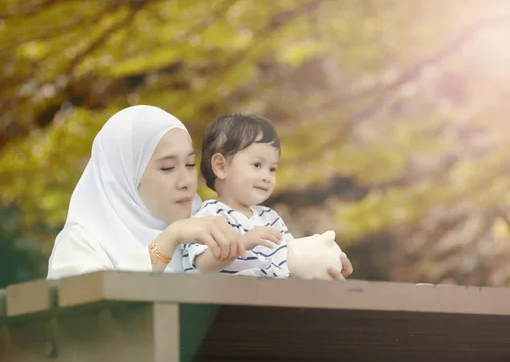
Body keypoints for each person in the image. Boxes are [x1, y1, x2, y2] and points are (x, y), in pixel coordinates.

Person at [47, 105, 246, 279]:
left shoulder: (209, 233)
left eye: (189, 164)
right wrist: (169, 239)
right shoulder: (80, 244)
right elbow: (92, 314)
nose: (186, 181)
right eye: (168, 167)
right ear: (125, 175)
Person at [182, 113, 353, 280]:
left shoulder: (271, 218)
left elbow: (294, 262)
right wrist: (242, 243)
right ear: (221, 167)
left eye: (272, 169)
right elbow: (202, 266)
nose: (267, 176)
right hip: (226, 303)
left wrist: (330, 259)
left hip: (273, 302)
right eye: (257, 165)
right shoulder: (209, 216)